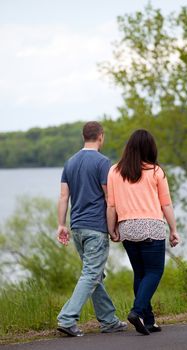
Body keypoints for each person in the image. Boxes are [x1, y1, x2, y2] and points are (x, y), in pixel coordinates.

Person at [56, 121, 127, 337]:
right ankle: (67, 319)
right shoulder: (103, 162)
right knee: (91, 274)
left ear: (83, 136)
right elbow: (109, 198)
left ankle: (109, 320)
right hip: (95, 228)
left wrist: (61, 225)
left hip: (77, 228)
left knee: (95, 274)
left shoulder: (70, 162)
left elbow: (63, 196)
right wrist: (113, 227)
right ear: (101, 137)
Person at [107, 129, 180, 336]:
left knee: (140, 273)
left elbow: (111, 206)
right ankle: (137, 311)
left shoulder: (114, 171)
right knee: (154, 272)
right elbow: (166, 204)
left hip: (127, 228)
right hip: (151, 227)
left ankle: (149, 321)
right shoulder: (156, 172)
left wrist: (111, 228)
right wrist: (174, 230)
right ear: (150, 148)